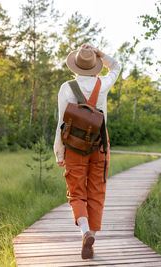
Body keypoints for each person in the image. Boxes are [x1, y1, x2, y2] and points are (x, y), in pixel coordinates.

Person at [53, 43, 121, 259]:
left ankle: (84, 232)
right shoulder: (103, 84)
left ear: (75, 67)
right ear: (94, 66)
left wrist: (59, 151)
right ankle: (91, 235)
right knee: (96, 190)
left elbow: (61, 122)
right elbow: (116, 67)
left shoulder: (66, 88)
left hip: (74, 145)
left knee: (76, 191)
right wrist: (100, 53)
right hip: (100, 144)